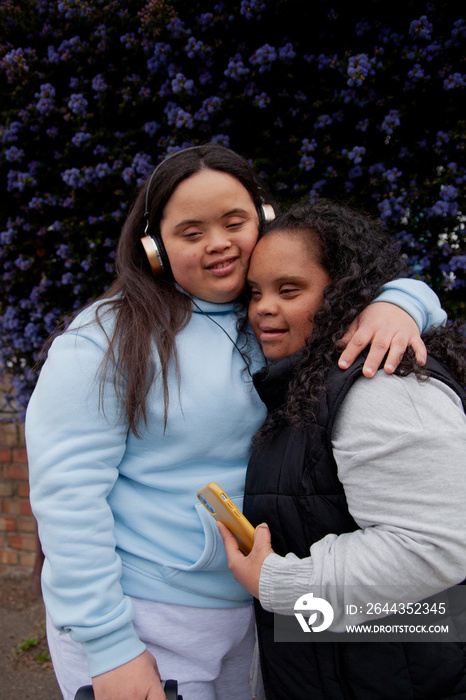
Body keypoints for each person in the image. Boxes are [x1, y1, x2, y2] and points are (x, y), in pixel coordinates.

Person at [26, 144, 447, 700]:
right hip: (143, 617)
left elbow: (370, 281)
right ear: (155, 247)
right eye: (191, 232)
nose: (218, 243)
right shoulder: (107, 338)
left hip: (253, 610)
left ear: (264, 221)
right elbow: (67, 500)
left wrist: (399, 304)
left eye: (234, 222)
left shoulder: (269, 315)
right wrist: (109, 648)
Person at [219, 201, 466, 700]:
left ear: (345, 293)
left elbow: (438, 547)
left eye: (289, 290)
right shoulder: (309, 384)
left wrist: (279, 582)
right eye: (255, 292)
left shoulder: (379, 386)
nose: (263, 307)